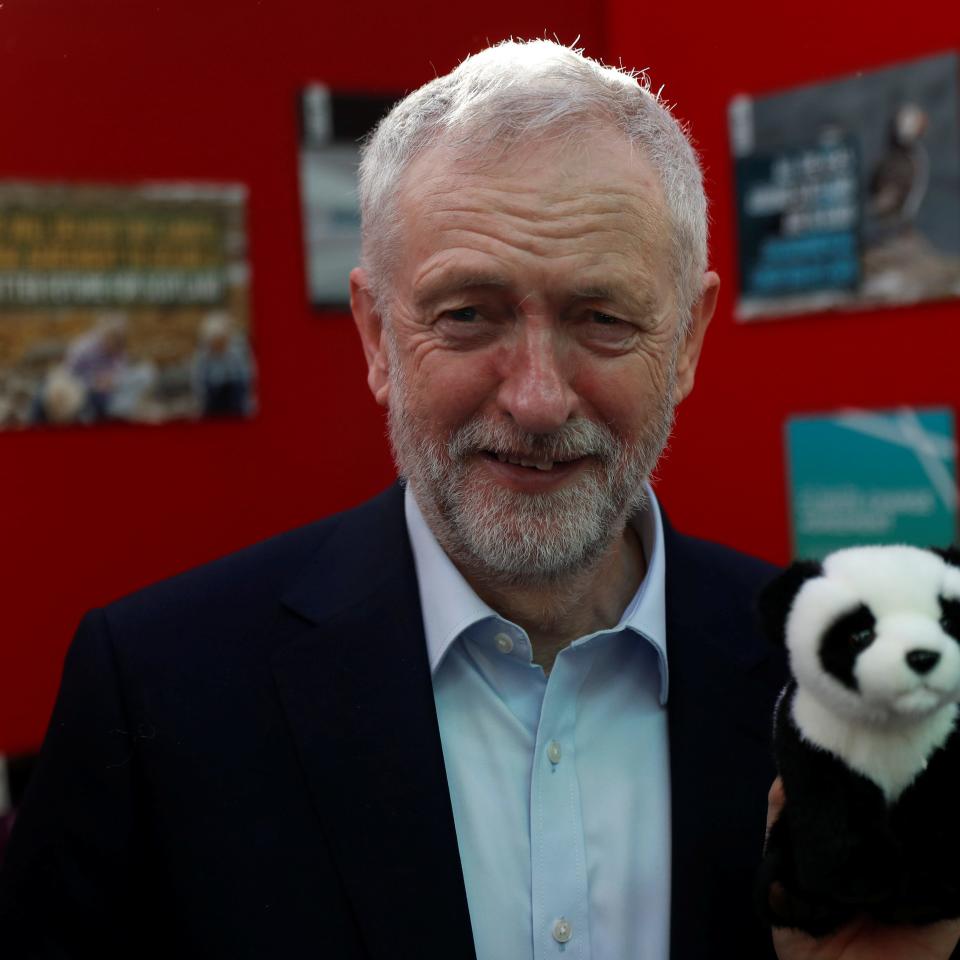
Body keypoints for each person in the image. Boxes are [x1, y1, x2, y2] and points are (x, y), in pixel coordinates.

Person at [0, 40, 957, 960]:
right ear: (377, 336)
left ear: (690, 340)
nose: (536, 399)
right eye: (468, 315)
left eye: (602, 319)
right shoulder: (158, 693)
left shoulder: (849, 686)